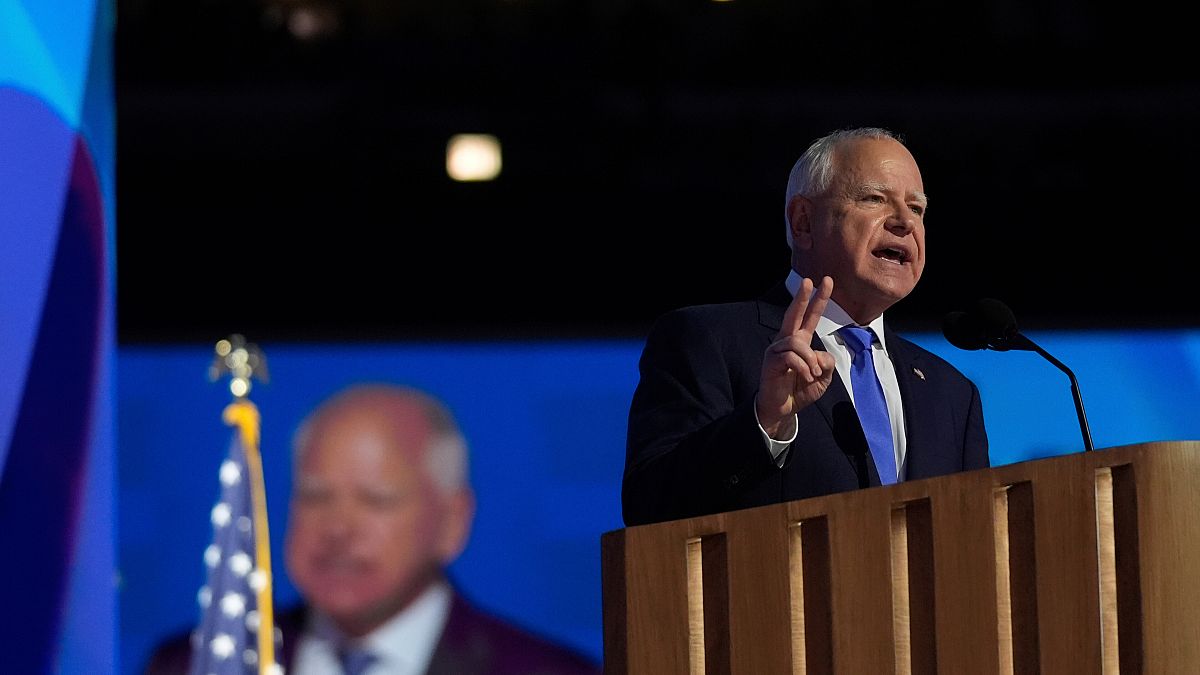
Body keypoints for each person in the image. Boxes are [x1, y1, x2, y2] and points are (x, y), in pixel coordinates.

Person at [622, 126, 990, 527]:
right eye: (874, 198)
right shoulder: (709, 340)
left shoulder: (951, 394)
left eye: (917, 209)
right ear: (803, 223)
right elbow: (650, 508)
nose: (904, 222)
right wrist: (765, 422)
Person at [146, 383, 601, 675]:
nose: (338, 527)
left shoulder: (542, 670)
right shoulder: (195, 663)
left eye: (376, 499)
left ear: (453, 521)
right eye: (316, 494)